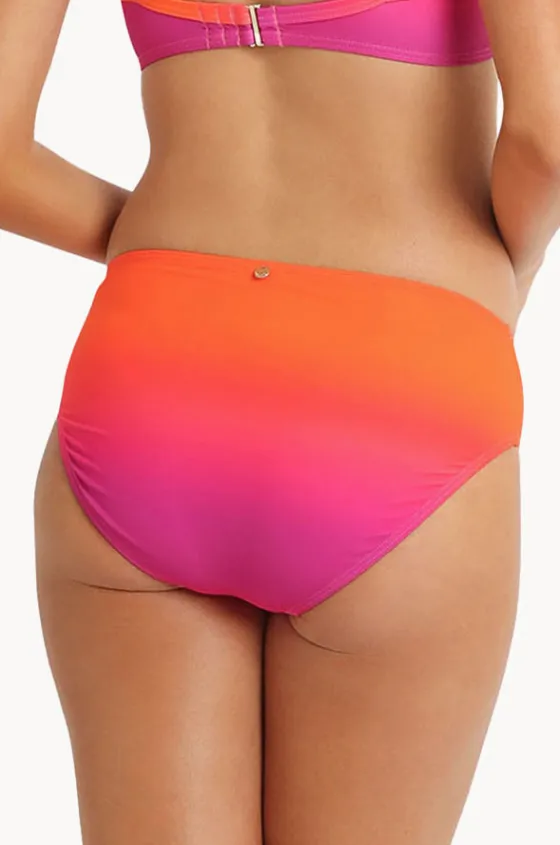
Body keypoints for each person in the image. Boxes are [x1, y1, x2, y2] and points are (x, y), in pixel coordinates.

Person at [1, 0, 559, 842]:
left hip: (151, 377)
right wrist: (502, 275)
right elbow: (549, 139)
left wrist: (158, 246)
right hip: (399, 388)